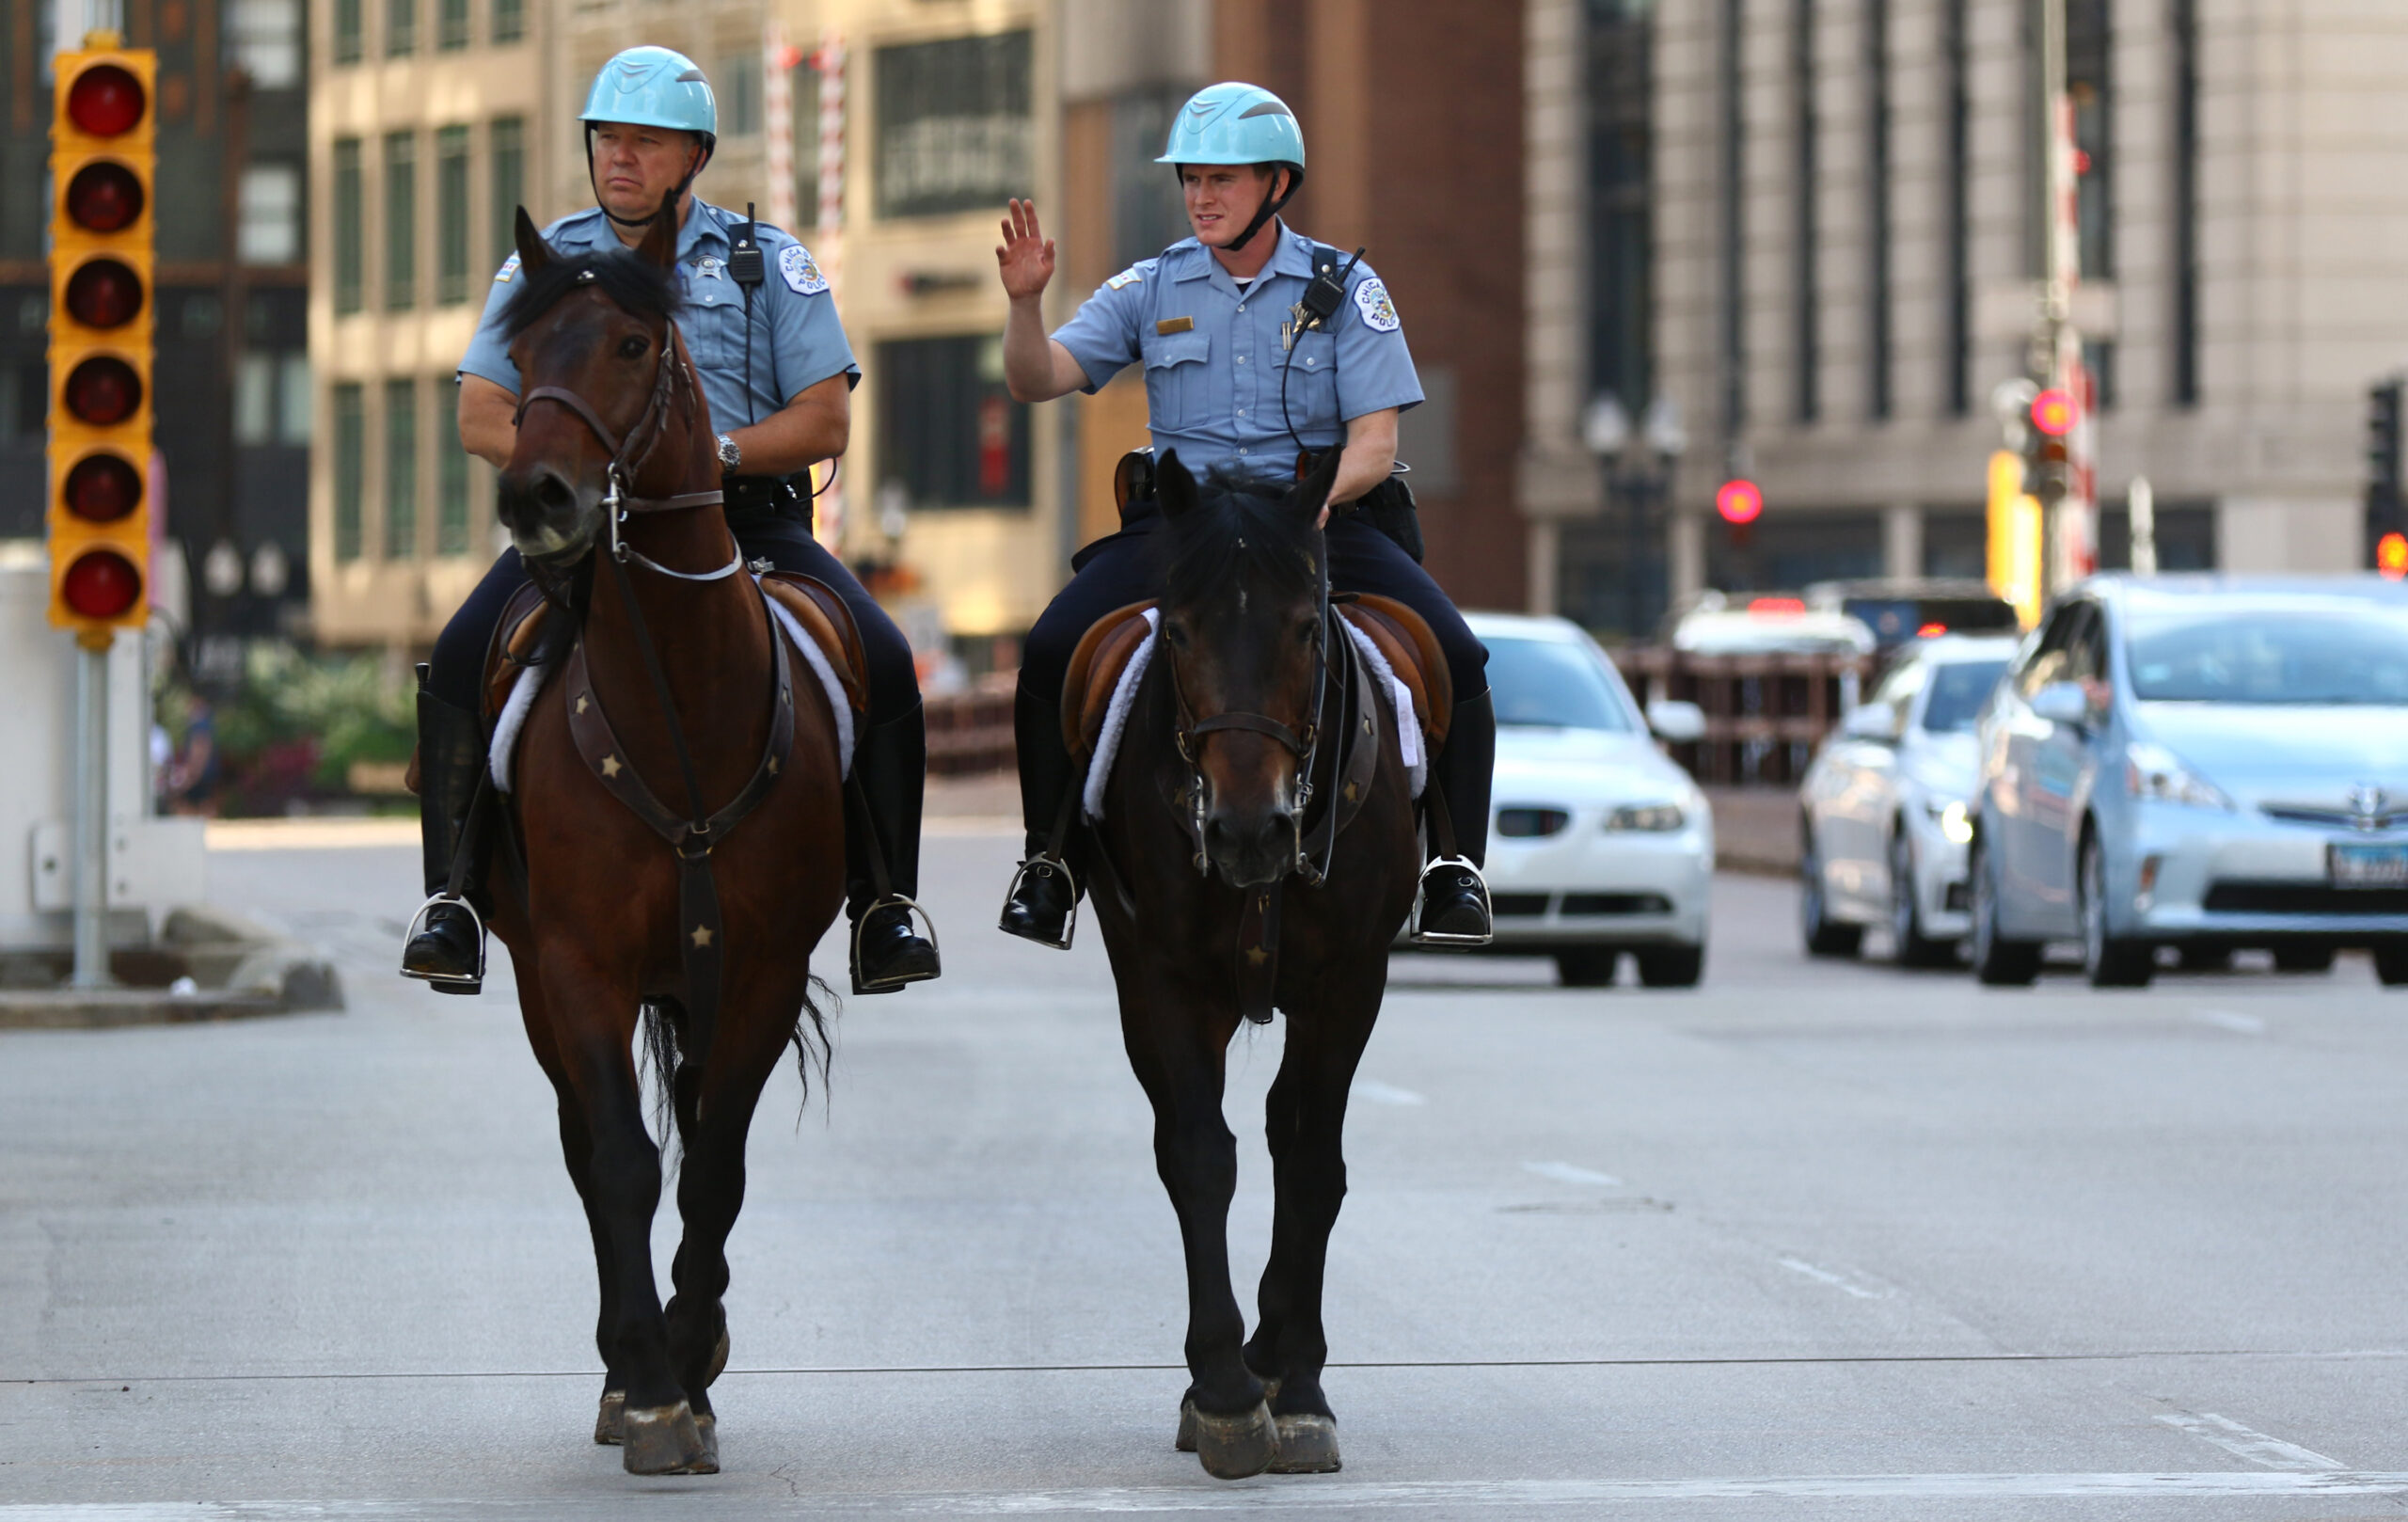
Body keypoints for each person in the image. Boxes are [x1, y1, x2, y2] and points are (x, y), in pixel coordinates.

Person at [400, 45, 941, 998]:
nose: (620, 158)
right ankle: (451, 899)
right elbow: (481, 410)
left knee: (885, 659)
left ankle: (883, 903)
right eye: (607, 138)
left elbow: (825, 416)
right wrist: (570, 472)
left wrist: (713, 456)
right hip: (585, 529)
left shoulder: (766, 262)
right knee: (457, 655)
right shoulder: (545, 263)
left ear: (694, 156)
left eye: (645, 142)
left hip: (747, 525)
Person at [990, 80, 1496, 949]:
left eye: (1222, 179)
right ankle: (1050, 864)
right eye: (1190, 178)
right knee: (1048, 649)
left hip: (1313, 520)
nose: (1200, 196)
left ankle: (1456, 868)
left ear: (1276, 184)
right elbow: (1037, 380)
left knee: (1458, 654)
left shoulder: (1345, 286)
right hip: (1183, 530)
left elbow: (1374, 444)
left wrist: (1314, 505)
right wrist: (1026, 305)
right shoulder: (1149, 287)